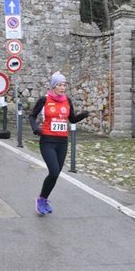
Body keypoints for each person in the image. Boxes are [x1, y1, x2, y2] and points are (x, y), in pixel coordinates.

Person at [28, 71, 89, 215]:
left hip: (62, 142)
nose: (63, 88)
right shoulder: (44, 99)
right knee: (54, 171)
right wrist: (36, 128)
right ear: (53, 86)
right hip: (47, 141)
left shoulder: (67, 100)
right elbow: (32, 116)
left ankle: (43, 198)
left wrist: (82, 116)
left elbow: (72, 119)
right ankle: (41, 199)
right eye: (60, 85)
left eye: (64, 85)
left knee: (56, 174)